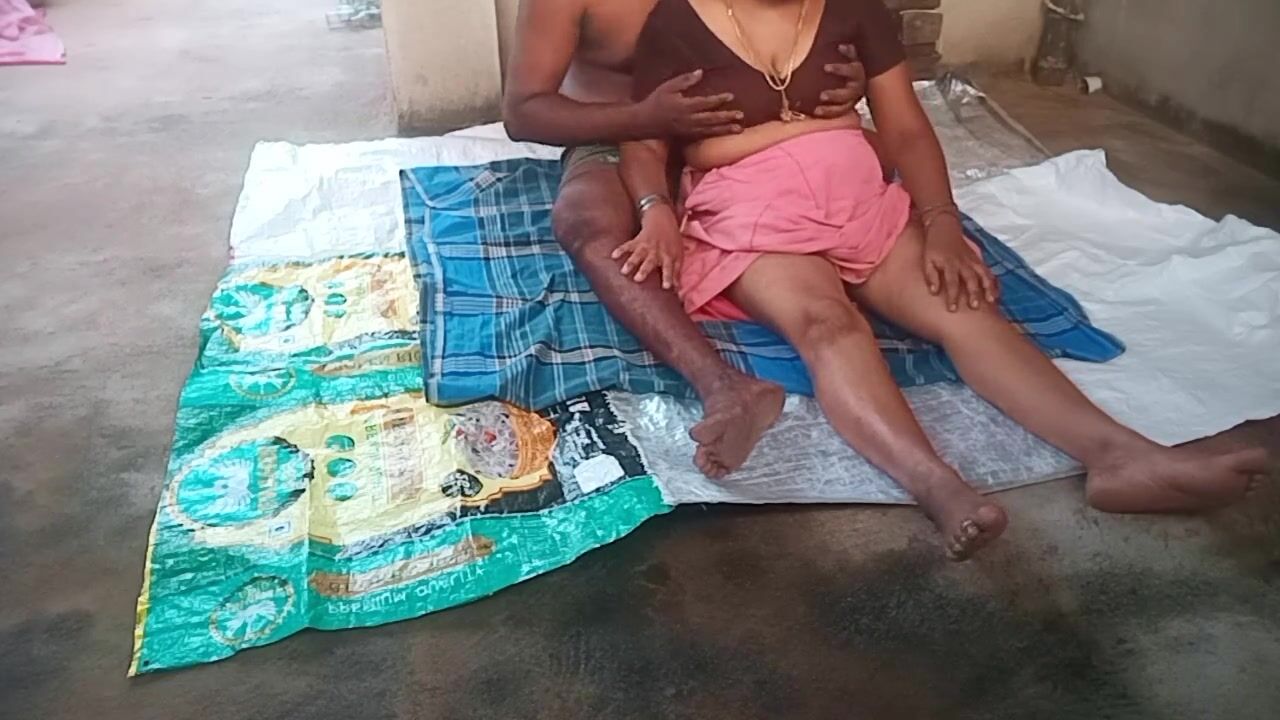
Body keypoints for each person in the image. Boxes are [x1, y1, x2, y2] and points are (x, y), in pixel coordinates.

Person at [616, 0, 1268, 559]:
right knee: (829, 326)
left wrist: (942, 223)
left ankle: (1121, 457)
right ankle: (937, 486)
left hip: (860, 198)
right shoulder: (677, 21)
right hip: (751, 212)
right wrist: (656, 212)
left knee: (964, 307)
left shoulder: (855, 10)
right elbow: (644, 141)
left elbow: (903, 126)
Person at [502, 0, 871, 478]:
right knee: (584, 221)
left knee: (869, 169)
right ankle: (724, 386)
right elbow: (524, 111)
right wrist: (643, 117)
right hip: (619, 130)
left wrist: (846, 78)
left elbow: (818, 28)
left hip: (751, 132)